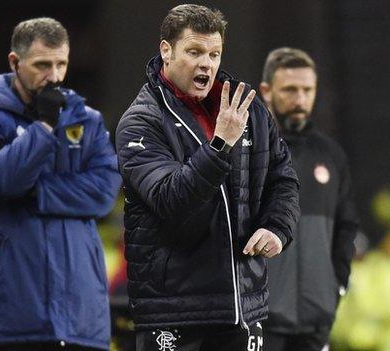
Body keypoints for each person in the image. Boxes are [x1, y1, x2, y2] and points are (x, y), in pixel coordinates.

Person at [115, 5, 300, 351]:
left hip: (242, 309)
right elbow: (171, 200)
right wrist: (219, 145)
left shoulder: (249, 109)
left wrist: (277, 227)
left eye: (214, 54)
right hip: (173, 312)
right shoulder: (141, 122)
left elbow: (284, 179)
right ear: (166, 51)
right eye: (195, 52)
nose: (207, 64)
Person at [0, 17, 121, 350]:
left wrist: (35, 190)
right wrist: (44, 127)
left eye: (61, 64)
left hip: (80, 316)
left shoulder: (86, 120)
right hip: (7, 317)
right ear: (15, 62)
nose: (55, 76)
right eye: (42, 65)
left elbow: (103, 192)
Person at [258, 48, 359, 351]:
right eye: (290, 90)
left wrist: (336, 287)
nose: (300, 100)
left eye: (307, 90)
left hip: (317, 318)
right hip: (261, 319)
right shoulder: (251, 152)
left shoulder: (331, 154)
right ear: (267, 91)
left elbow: (346, 225)